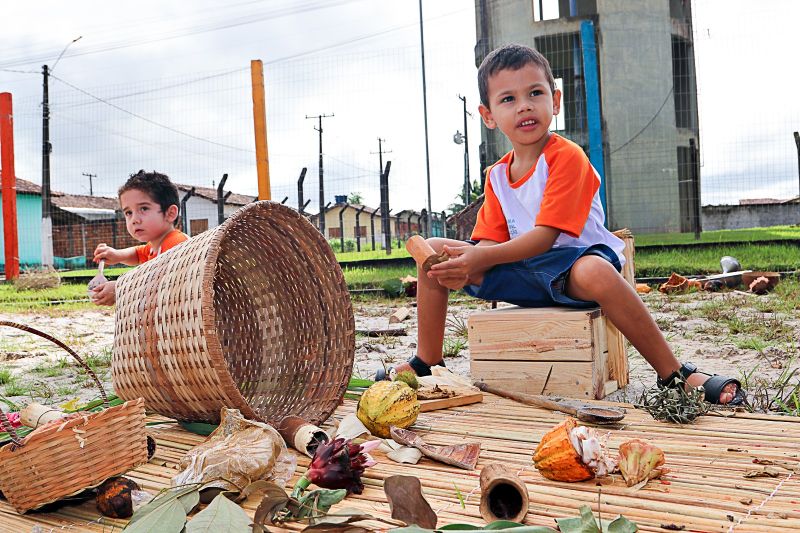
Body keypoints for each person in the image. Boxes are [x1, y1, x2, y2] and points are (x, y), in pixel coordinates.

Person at [378, 44, 744, 405]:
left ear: (554, 101)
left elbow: (545, 237)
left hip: (575, 263)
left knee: (597, 271)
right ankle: (427, 361)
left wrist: (477, 260)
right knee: (436, 250)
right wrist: (467, 260)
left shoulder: (566, 156)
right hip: (526, 271)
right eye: (508, 99)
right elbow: (489, 243)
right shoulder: (497, 176)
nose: (524, 105)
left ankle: (675, 374)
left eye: (535, 93)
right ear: (488, 115)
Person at [90, 170, 188, 306]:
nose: (134, 219)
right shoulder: (155, 246)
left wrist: (120, 289)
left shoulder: (176, 243)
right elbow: (138, 253)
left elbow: (158, 282)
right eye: (128, 212)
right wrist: (118, 255)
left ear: (170, 213)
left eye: (144, 209)